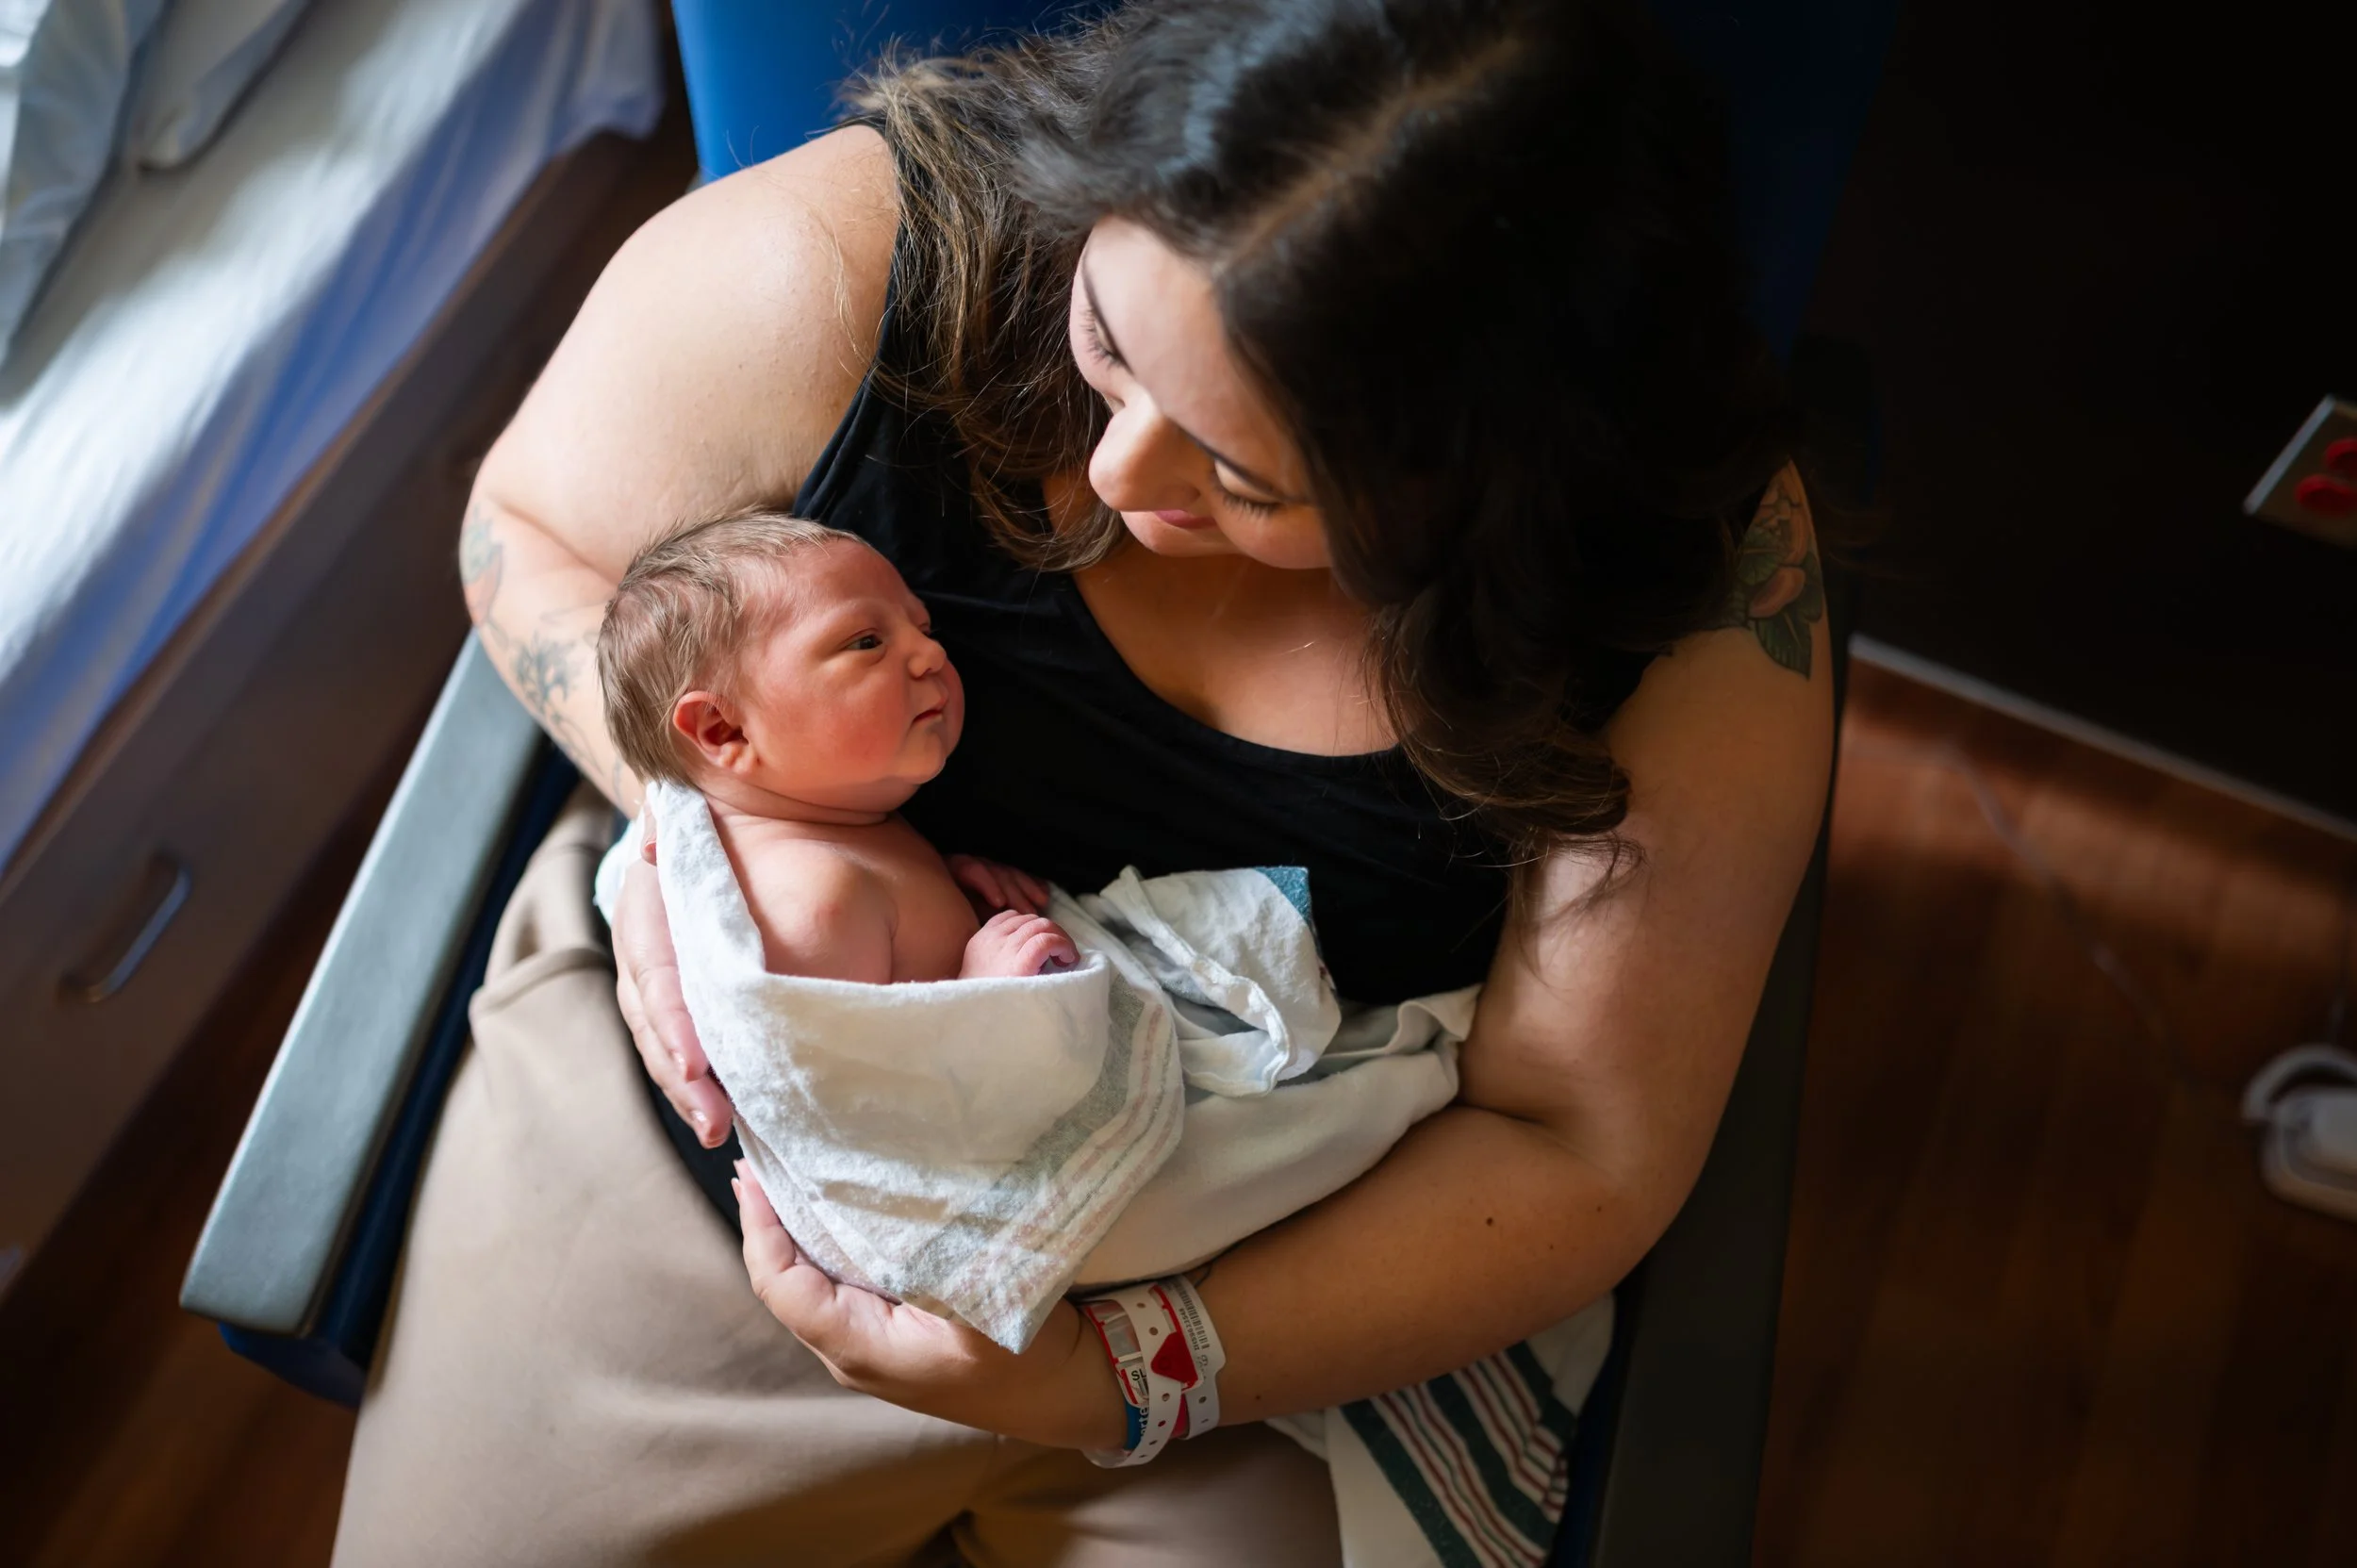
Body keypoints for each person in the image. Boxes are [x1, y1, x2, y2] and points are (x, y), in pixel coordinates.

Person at [335, 0, 1833, 1561]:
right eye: (1109, 343)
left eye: (1246, 477)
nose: (1120, 477)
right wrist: (701, 836)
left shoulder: (1681, 581)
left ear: (1498, 482)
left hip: (1237, 1303)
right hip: (709, 1168)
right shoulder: (869, 253)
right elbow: (526, 535)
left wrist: (1127, 1375)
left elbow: (1578, 1139)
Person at [594, 510, 1078, 985]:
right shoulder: (811, 905)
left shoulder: (837, 830)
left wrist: (948, 890)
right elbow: (837, 1061)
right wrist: (984, 990)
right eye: (867, 642)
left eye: (925, 630)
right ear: (727, 731)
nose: (933, 654)